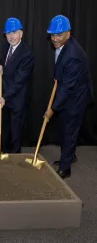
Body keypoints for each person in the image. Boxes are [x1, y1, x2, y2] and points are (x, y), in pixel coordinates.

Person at [45, 15, 94, 179]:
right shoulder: (64, 46)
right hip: (70, 90)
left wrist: (51, 109)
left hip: (77, 98)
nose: (55, 39)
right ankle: (70, 155)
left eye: (59, 35)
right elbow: (62, 73)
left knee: (69, 130)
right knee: (65, 127)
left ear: (68, 33)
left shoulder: (73, 55)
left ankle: (65, 168)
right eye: (52, 35)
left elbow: (66, 89)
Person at [0, 17, 34, 154]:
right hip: (6, 93)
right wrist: (0, 64)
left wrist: (4, 96)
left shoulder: (27, 54)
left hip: (18, 97)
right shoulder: (5, 46)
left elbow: (20, 80)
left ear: (21, 34)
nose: (11, 36)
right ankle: (3, 152)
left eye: (14, 33)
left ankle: (14, 156)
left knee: (15, 129)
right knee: (5, 126)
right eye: (8, 33)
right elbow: (5, 60)